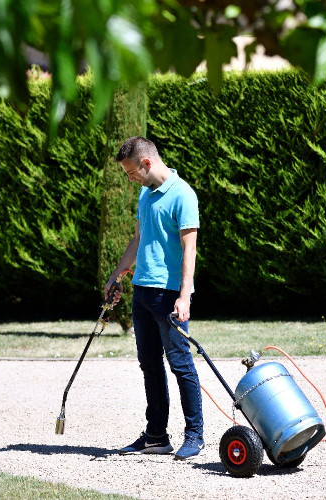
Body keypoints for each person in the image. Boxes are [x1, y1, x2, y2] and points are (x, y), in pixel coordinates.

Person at [105, 136, 204, 460]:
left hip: (169, 294)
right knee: (149, 365)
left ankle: (195, 435)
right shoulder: (145, 194)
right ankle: (156, 436)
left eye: (131, 172)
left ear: (146, 163)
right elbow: (138, 239)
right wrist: (117, 274)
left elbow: (190, 249)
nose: (130, 178)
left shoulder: (183, 195)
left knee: (180, 364)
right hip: (143, 292)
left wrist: (184, 296)